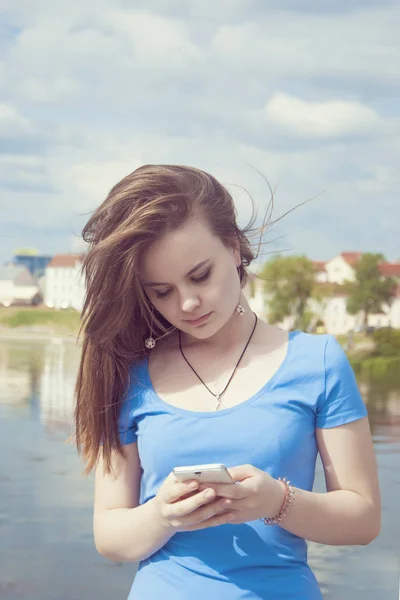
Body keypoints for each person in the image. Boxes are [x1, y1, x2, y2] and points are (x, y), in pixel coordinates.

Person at [74, 165, 381, 600]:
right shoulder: (130, 373)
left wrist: (277, 501)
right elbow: (110, 536)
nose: (188, 303)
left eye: (200, 275)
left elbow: (364, 520)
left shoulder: (319, 362)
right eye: (161, 291)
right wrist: (163, 513)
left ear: (235, 249)